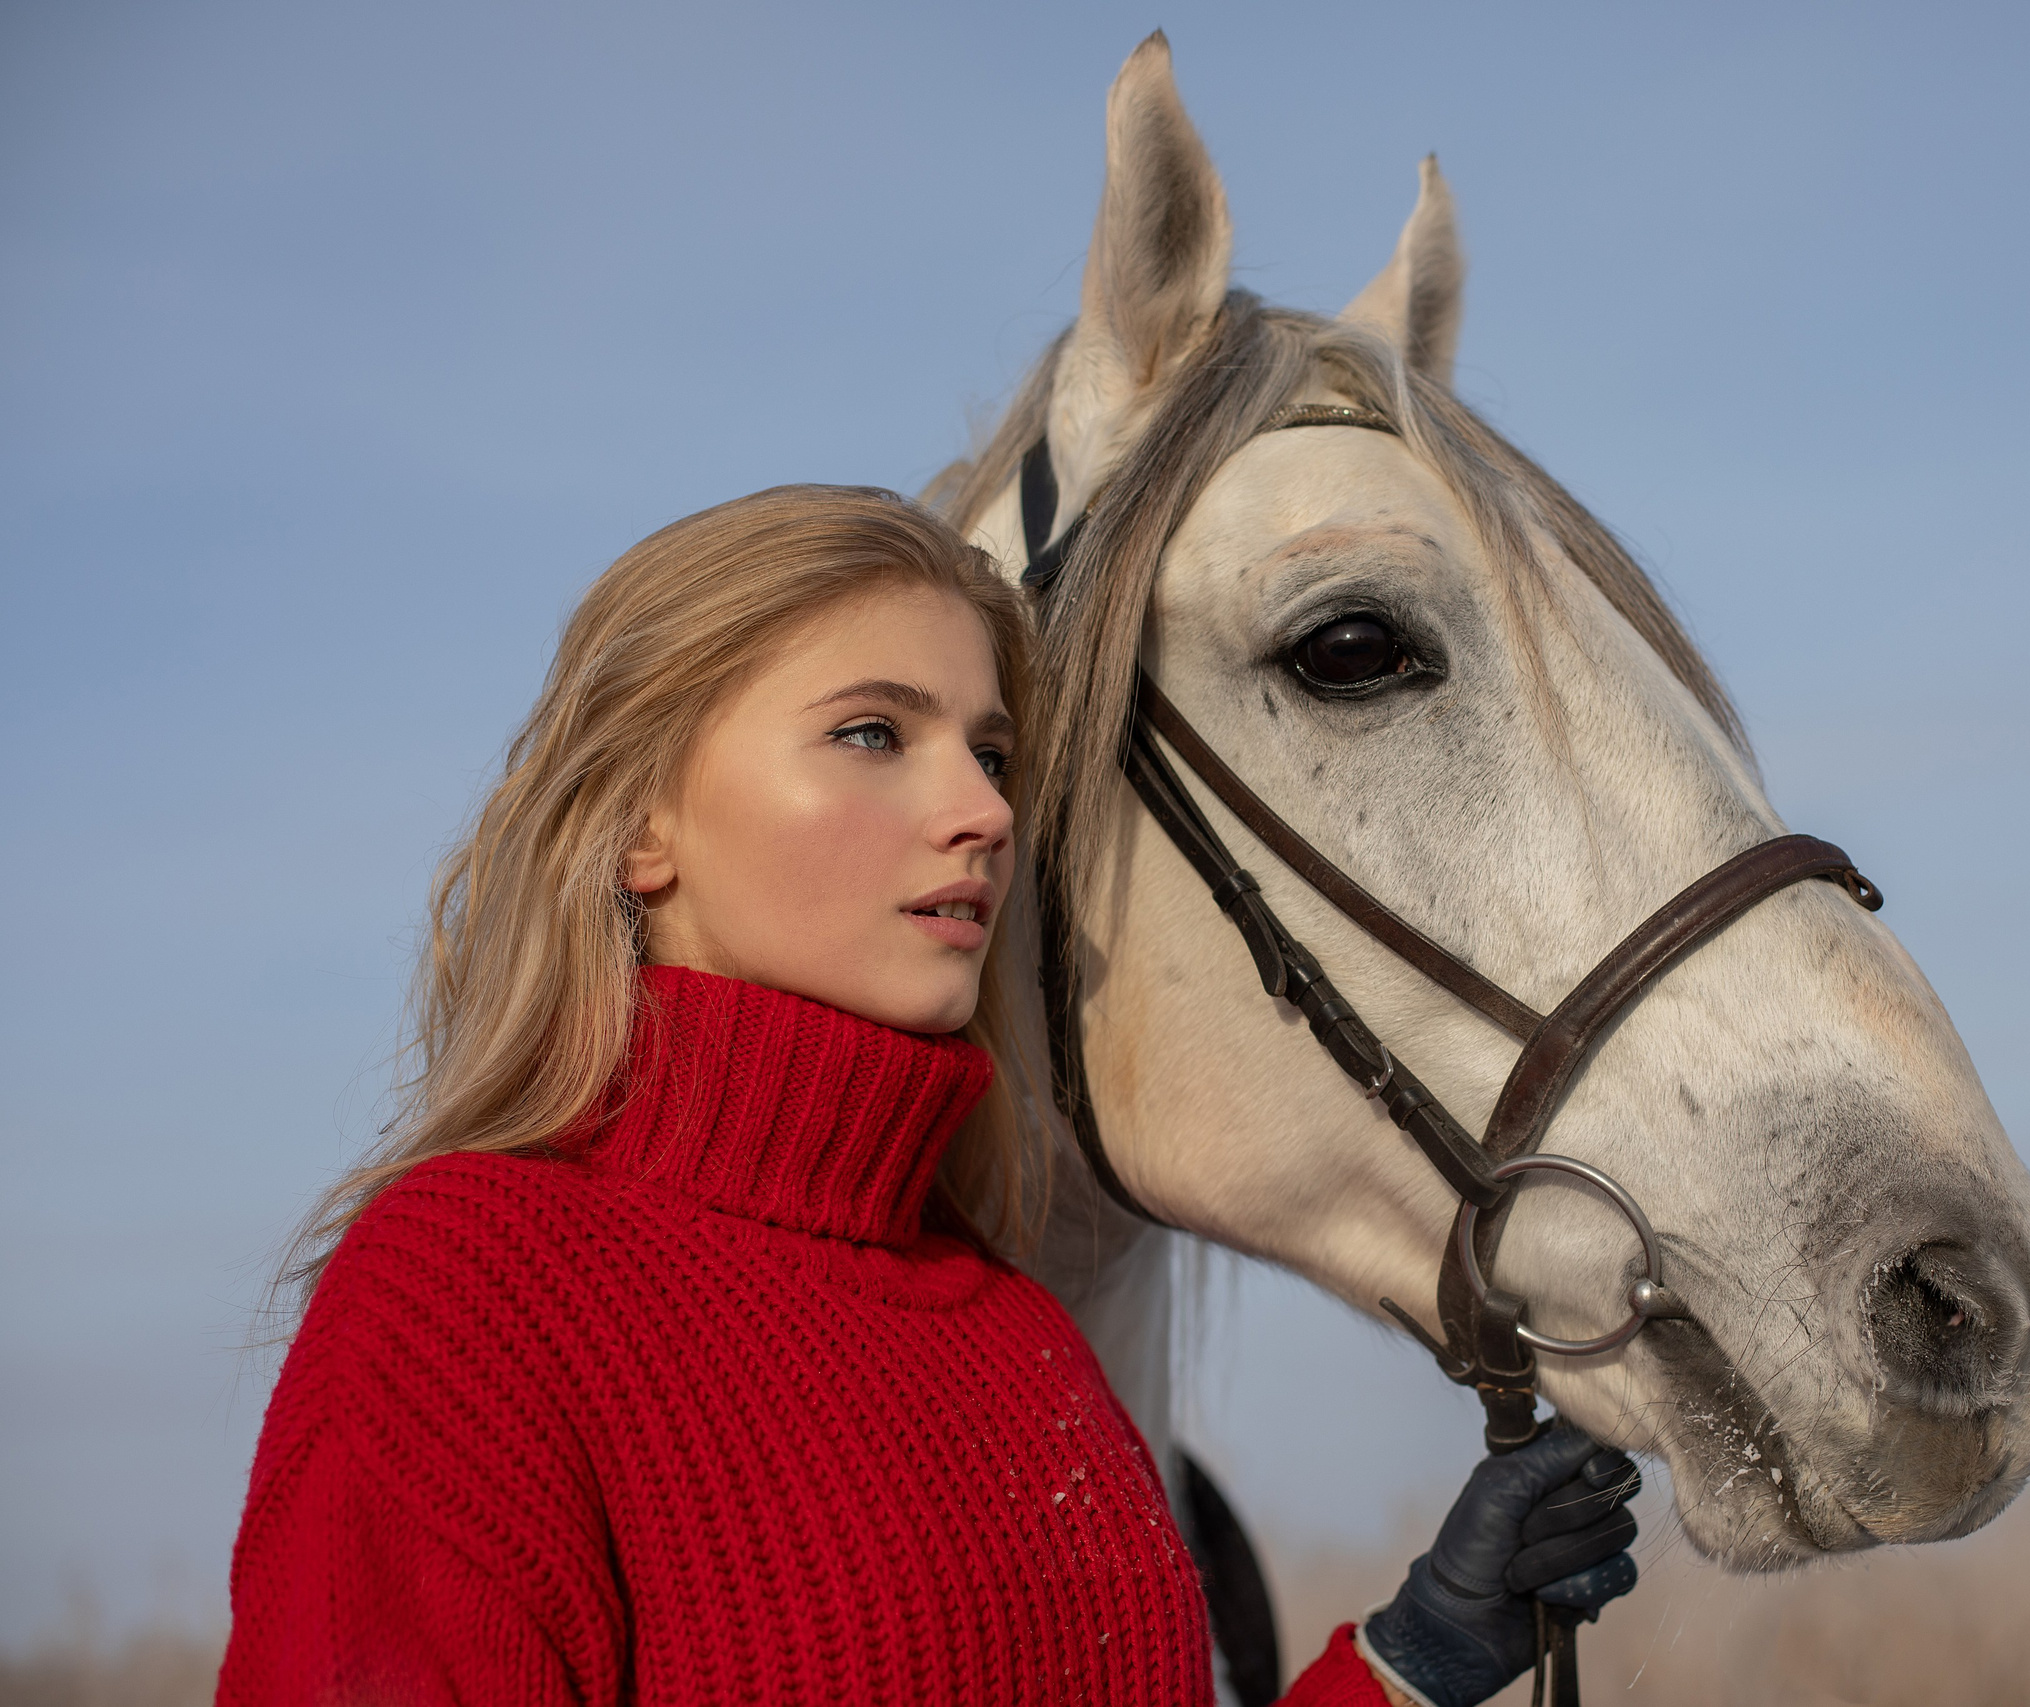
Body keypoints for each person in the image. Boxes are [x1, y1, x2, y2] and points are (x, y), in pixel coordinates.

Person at [217, 485, 1640, 1705]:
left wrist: (1411, 1661)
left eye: (993, 752)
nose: (983, 810)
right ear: (642, 822)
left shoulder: (1008, 1322)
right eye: (872, 734)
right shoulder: (472, 1291)